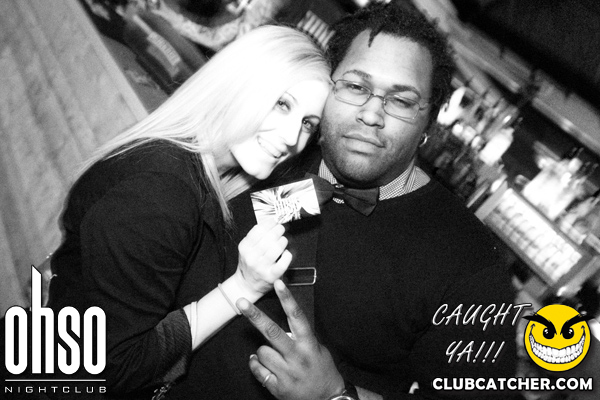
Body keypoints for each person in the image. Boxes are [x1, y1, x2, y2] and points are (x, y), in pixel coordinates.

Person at [228, 3, 520, 399]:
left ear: (428, 123)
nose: (371, 114)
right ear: (329, 86)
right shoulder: (269, 151)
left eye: (400, 101)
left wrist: (335, 394)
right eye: (355, 87)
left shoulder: (469, 264)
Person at [43, 25, 330, 399]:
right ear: (239, 85)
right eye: (282, 104)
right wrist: (241, 288)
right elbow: (108, 368)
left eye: (308, 124)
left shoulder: (212, 175)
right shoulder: (163, 192)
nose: (292, 137)